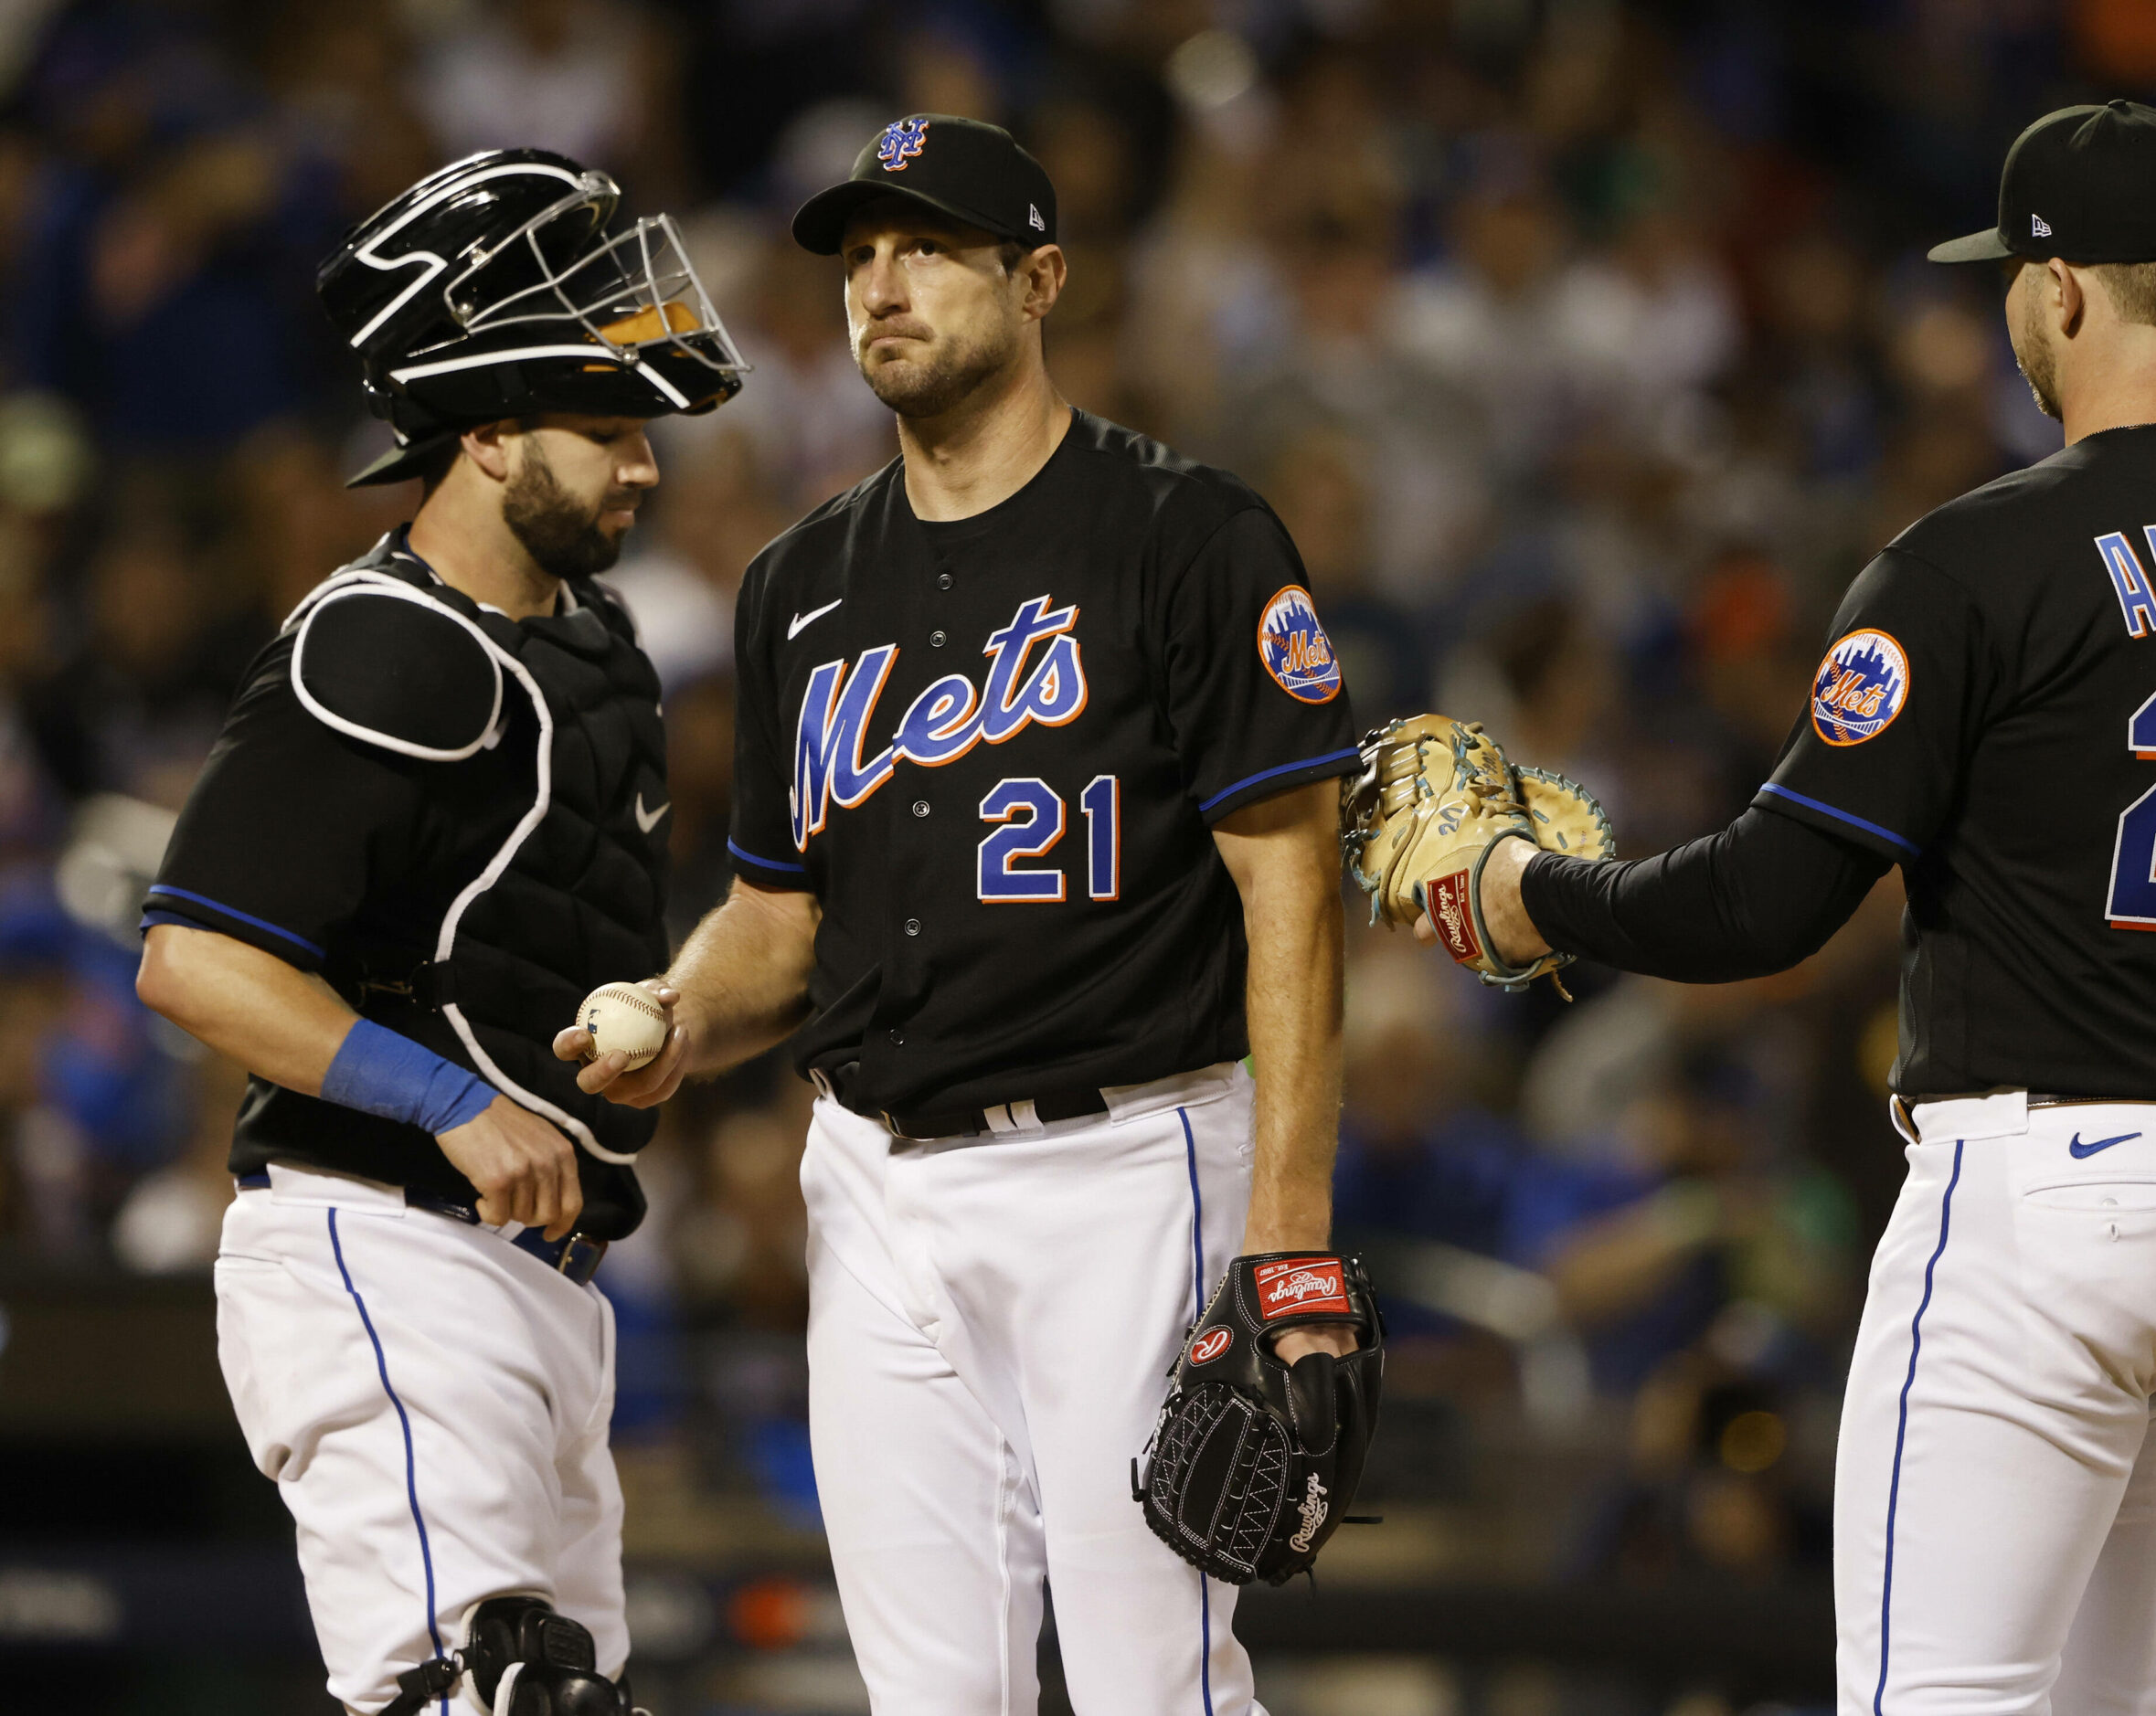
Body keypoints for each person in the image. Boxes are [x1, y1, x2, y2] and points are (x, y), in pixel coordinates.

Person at [1416, 101, 2156, 1714]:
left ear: (2058, 290)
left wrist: (1530, 895)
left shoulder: (1980, 560)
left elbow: (1770, 901)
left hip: (2062, 1193)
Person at [558, 115, 1358, 1713]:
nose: (880, 288)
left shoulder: (1184, 536)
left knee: (1159, 1686)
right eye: (857, 258)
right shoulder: (799, 584)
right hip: (878, 1186)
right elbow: (777, 919)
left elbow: (1293, 892)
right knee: (926, 1694)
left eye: (924, 247)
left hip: (1128, 1167)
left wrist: (1292, 1242)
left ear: (1040, 278)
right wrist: (680, 1011)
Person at [133, 150, 744, 1716]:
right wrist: (452, 1100)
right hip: (377, 1235)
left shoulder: (601, 644)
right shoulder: (385, 642)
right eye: (607, 430)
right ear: (483, 434)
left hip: (544, 1279)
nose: (644, 467)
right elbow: (191, 957)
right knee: (483, 1692)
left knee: (557, 1695)